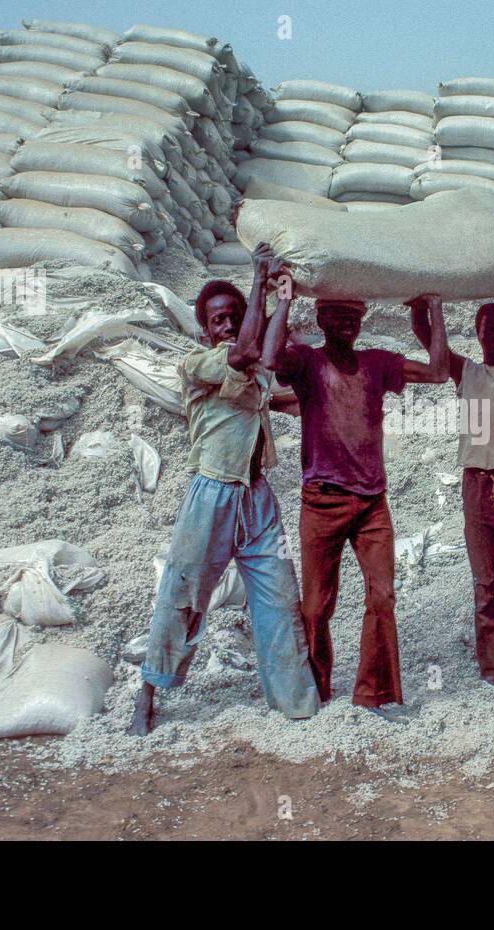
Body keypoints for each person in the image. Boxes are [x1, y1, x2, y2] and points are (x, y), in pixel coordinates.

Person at [130, 245, 320, 735]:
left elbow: (268, 354)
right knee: (183, 593)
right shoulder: (197, 364)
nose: (228, 323)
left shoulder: (258, 375)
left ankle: (296, 704)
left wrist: (283, 299)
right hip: (209, 497)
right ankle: (148, 693)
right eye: (218, 319)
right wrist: (256, 282)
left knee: (279, 598)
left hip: (258, 500)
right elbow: (246, 352)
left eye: (235, 315)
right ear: (204, 330)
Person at [272, 289, 450, 717]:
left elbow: (439, 373)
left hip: (373, 503)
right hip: (322, 501)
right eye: (335, 316)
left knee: (382, 597)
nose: (345, 325)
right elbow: (271, 361)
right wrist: (278, 301)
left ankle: (377, 694)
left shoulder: (377, 363)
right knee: (315, 606)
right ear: (320, 320)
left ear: (361, 323)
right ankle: (316, 689)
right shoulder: (306, 361)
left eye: (352, 317)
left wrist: (435, 310)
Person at [411, 295, 494, 685]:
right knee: (485, 583)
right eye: (489, 328)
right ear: (478, 333)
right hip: (476, 486)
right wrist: (426, 300)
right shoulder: (464, 372)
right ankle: (491, 667)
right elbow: (423, 333)